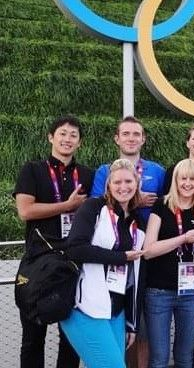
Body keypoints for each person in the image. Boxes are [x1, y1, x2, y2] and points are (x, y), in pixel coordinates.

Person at [14, 115, 94, 368]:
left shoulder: (87, 175)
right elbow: (25, 211)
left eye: (73, 135)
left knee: (71, 340)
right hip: (38, 264)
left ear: (79, 142)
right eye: (62, 133)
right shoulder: (32, 170)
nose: (67, 139)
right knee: (32, 339)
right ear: (51, 137)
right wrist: (68, 206)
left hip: (73, 265)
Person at [91, 116, 165, 367]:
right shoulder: (104, 170)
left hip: (145, 254)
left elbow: (167, 206)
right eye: (126, 134)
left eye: (136, 134)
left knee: (141, 325)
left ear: (143, 138)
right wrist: (136, 200)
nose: (131, 138)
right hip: (113, 256)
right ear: (117, 138)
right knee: (111, 321)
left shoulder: (157, 170)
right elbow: (99, 204)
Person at [60, 159, 145, 368]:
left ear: (136, 184)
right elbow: (75, 249)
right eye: (117, 182)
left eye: (128, 181)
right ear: (108, 185)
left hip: (116, 310)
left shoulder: (134, 219)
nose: (123, 187)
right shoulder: (93, 207)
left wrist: (132, 324)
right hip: (85, 307)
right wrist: (121, 257)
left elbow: (134, 276)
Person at [143, 159, 194, 368]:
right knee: (159, 357)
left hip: (191, 293)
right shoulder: (162, 206)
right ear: (175, 180)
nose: (188, 183)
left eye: (193, 179)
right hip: (159, 292)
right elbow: (148, 250)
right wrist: (183, 238)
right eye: (183, 178)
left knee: (185, 356)